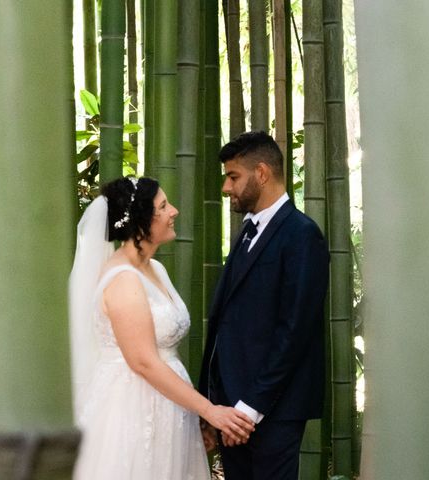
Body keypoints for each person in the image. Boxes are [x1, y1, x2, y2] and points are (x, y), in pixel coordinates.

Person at [70, 176, 254, 479]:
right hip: (133, 407)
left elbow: (165, 354)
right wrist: (210, 411)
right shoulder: (123, 280)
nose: (175, 211)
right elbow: (143, 361)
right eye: (164, 206)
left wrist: (194, 413)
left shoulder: (156, 269)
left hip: (169, 404)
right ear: (143, 220)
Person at [198, 131, 330, 480]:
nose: (226, 187)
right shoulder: (246, 231)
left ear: (261, 173)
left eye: (233, 177)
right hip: (230, 406)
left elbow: (295, 331)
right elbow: (225, 321)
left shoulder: (302, 235)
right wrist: (211, 404)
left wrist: (251, 409)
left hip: (272, 408)